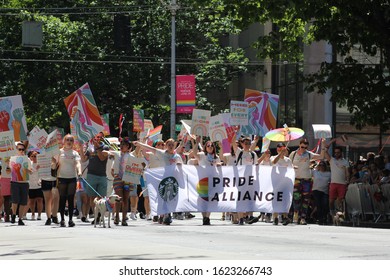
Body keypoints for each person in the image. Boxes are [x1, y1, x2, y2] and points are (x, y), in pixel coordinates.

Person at [134, 138, 183, 225]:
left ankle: (167, 215)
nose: (171, 147)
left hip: (173, 179)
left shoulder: (177, 156)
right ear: (166, 146)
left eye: (172, 145)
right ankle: (163, 215)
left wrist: (179, 164)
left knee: (171, 197)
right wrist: (139, 144)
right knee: (163, 197)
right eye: (169, 145)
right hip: (163, 179)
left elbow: (181, 166)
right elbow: (149, 148)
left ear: (174, 146)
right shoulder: (162, 153)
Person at [289, 138, 325, 225]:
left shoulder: (309, 154)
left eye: (305, 147)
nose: (303, 149)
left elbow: (321, 156)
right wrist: (293, 166)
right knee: (296, 199)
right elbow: (288, 164)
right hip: (296, 180)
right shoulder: (293, 154)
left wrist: (323, 145)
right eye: (302, 147)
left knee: (306, 200)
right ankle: (296, 213)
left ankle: (303, 218)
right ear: (299, 145)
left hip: (306, 180)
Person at [80, 132, 110, 225]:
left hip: (102, 175)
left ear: (102, 138)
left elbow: (101, 158)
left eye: (99, 137)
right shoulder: (90, 148)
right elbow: (84, 159)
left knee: (101, 198)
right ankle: (96, 216)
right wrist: (81, 148)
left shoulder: (105, 147)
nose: (97, 139)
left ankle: (100, 215)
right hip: (91, 175)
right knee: (92, 198)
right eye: (96, 137)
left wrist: (97, 147)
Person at [52, 134, 82, 227]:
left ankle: (70, 220)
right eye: (67, 140)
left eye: (71, 140)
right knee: (62, 198)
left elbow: (78, 163)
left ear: (73, 142)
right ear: (63, 142)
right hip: (62, 177)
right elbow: (54, 166)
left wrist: (79, 171)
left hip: (72, 177)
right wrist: (53, 161)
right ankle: (62, 219)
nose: (69, 142)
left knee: (71, 198)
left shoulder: (75, 153)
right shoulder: (59, 152)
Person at [192, 136, 222, 225]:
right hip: (202, 181)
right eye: (208, 146)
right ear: (205, 147)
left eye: (211, 146)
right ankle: (204, 216)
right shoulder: (202, 155)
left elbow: (219, 166)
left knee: (211, 199)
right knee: (202, 199)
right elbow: (194, 153)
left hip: (212, 181)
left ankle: (207, 217)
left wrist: (219, 165)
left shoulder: (216, 157)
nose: (210, 147)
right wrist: (197, 143)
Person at [324, 144, 350, 222]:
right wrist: (327, 146)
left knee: (340, 200)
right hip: (333, 183)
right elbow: (325, 153)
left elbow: (347, 172)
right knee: (331, 201)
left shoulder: (345, 161)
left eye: (338, 152)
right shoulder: (332, 160)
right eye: (335, 152)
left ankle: (340, 215)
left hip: (342, 183)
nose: (336, 154)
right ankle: (332, 215)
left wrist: (347, 179)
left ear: (341, 153)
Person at [10, 142, 32, 225]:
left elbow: (31, 171)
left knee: (23, 201)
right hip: (15, 182)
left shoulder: (27, 159)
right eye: (20, 149)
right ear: (16, 150)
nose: (22, 151)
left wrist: (28, 170)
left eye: (23, 149)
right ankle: (13, 214)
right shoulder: (12, 159)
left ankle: (20, 218)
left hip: (24, 182)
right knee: (15, 200)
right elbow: (8, 170)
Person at [271, 142, 293, 226]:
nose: (280, 149)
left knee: (285, 200)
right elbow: (273, 162)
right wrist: (280, 154)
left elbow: (291, 170)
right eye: (278, 148)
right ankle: (275, 217)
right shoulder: (273, 157)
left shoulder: (288, 160)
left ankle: (284, 217)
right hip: (276, 183)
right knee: (276, 200)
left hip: (285, 183)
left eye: (282, 148)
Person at [312, 161, 331, 225]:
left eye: (323, 165)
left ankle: (324, 218)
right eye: (320, 165)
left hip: (325, 191)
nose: (322, 167)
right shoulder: (315, 172)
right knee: (319, 205)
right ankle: (320, 219)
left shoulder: (329, 174)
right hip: (316, 190)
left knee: (325, 205)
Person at [27, 151, 44, 220]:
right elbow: (29, 172)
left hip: (39, 184)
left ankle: (39, 215)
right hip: (31, 185)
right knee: (32, 201)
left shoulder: (41, 164)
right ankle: (33, 213)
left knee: (40, 199)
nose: (34, 158)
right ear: (30, 157)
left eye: (35, 156)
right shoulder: (29, 164)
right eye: (32, 156)